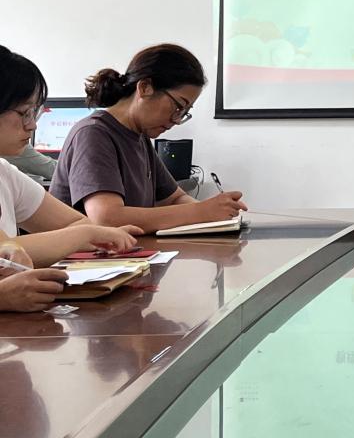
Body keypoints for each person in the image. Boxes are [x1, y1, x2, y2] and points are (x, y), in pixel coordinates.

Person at [0, 46, 143, 311]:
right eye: (24, 112)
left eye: (34, 112)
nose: (32, 125)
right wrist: (86, 234)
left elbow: (75, 223)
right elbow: (7, 250)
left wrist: (91, 234)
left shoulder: (5, 173)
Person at [48, 44, 246, 234]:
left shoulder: (140, 138)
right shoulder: (93, 134)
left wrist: (215, 219)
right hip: (82, 257)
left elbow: (175, 199)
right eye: (178, 106)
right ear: (144, 88)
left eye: (184, 112)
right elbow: (107, 217)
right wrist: (200, 212)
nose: (177, 120)